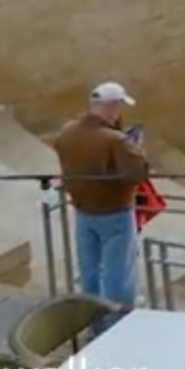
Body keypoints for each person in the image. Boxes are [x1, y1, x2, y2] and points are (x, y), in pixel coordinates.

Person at [52, 82, 151, 330]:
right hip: (115, 211)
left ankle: (93, 320)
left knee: (90, 269)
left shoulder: (67, 132)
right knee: (118, 271)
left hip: (83, 209)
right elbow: (137, 173)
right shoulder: (115, 140)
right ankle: (117, 321)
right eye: (118, 106)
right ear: (112, 106)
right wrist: (135, 148)